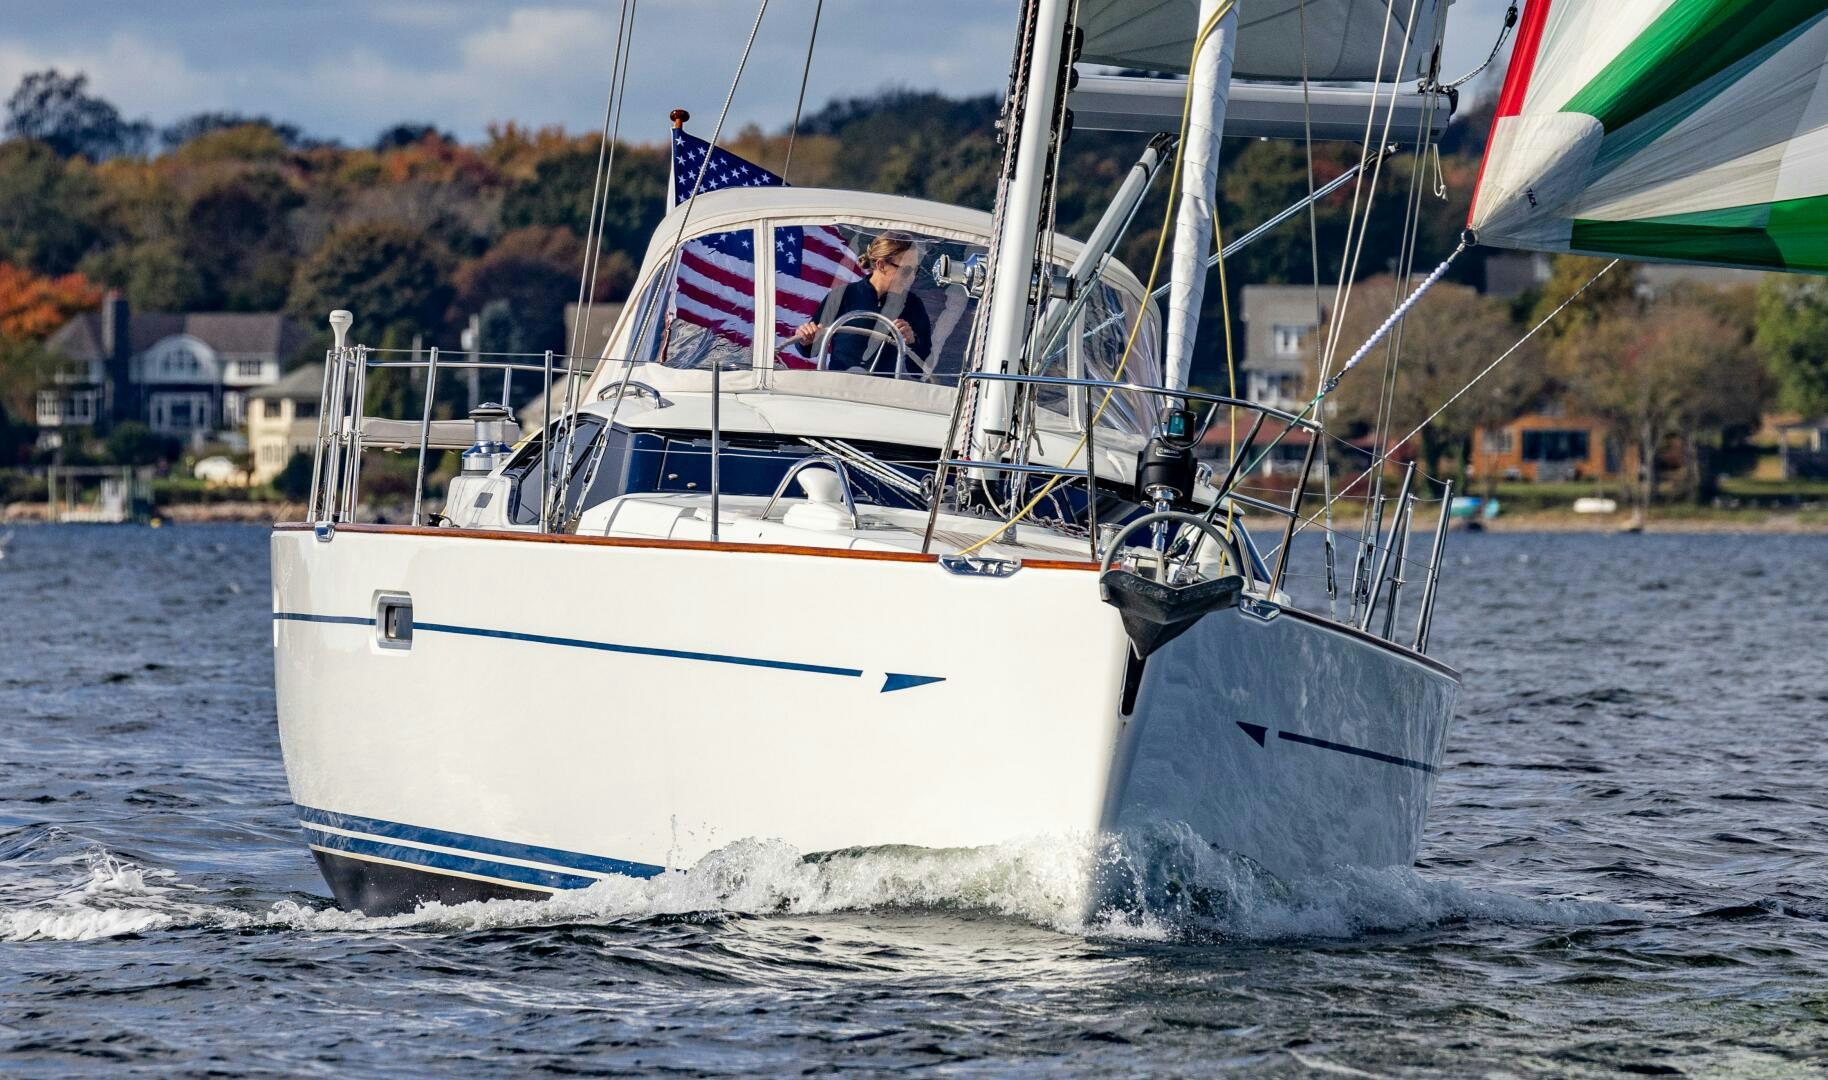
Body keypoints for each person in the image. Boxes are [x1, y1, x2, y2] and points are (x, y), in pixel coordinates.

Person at [790, 232, 932, 373]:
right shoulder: (842, 295)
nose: (912, 278)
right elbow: (810, 351)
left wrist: (912, 342)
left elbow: (919, 371)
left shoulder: (914, 306)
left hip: (883, 392)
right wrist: (805, 339)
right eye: (906, 271)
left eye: (916, 270)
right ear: (881, 265)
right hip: (836, 388)